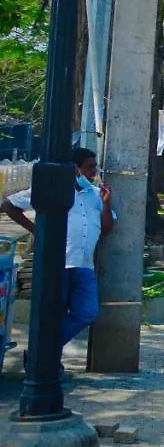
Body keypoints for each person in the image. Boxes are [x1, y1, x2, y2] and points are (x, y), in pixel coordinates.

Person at [1, 147, 114, 356]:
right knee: (54, 314)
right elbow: (8, 205)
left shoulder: (95, 194)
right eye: (90, 167)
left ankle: (40, 351)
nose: (94, 171)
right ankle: (48, 361)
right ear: (75, 168)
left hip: (84, 266)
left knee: (87, 312)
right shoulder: (52, 189)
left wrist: (106, 204)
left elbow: (107, 229)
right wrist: (38, 232)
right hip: (58, 264)